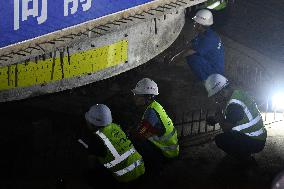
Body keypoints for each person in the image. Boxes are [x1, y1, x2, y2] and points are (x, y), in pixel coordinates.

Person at [205, 74, 267, 162]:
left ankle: (244, 159)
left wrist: (218, 117)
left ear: (222, 92)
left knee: (221, 139)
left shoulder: (234, 105)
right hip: (258, 137)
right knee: (229, 134)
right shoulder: (237, 94)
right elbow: (232, 117)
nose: (215, 100)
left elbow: (226, 128)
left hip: (255, 141)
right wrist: (217, 116)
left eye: (215, 96)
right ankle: (244, 152)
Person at [79, 104, 145, 186]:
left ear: (93, 123)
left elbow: (92, 163)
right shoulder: (115, 126)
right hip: (141, 168)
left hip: (126, 179)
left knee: (91, 176)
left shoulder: (96, 140)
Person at [130, 78, 179, 173]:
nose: (134, 97)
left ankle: (153, 168)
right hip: (171, 148)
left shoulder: (151, 113)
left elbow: (139, 134)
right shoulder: (155, 106)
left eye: (137, 95)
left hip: (167, 153)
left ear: (148, 98)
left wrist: (130, 134)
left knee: (138, 143)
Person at [166, 9, 224, 82]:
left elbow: (188, 52)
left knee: (192, 58)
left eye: (195, 22)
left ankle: (205, 81)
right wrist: (173, 53)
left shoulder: (208, 39)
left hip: (215, 72)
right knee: (190, 53)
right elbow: (190, 44)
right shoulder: (207, 33)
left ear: (199, 25)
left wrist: (173, 60)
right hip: (210, 63)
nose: (194, 23)